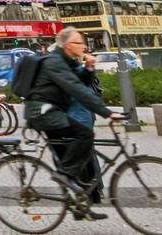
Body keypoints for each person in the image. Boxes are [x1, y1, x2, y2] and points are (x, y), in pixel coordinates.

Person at [25, 27, 119, 221]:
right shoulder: (54, 62)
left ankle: (80, 206)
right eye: (79, 43)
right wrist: (107, 112)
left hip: (54, 113)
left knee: (75, 160)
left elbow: (82, 81)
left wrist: (89, 68)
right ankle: (65, 178)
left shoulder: (66, 61)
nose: (84, 46)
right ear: (68, 46)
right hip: (43, 114)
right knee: (84, 138)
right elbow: (77, 90)